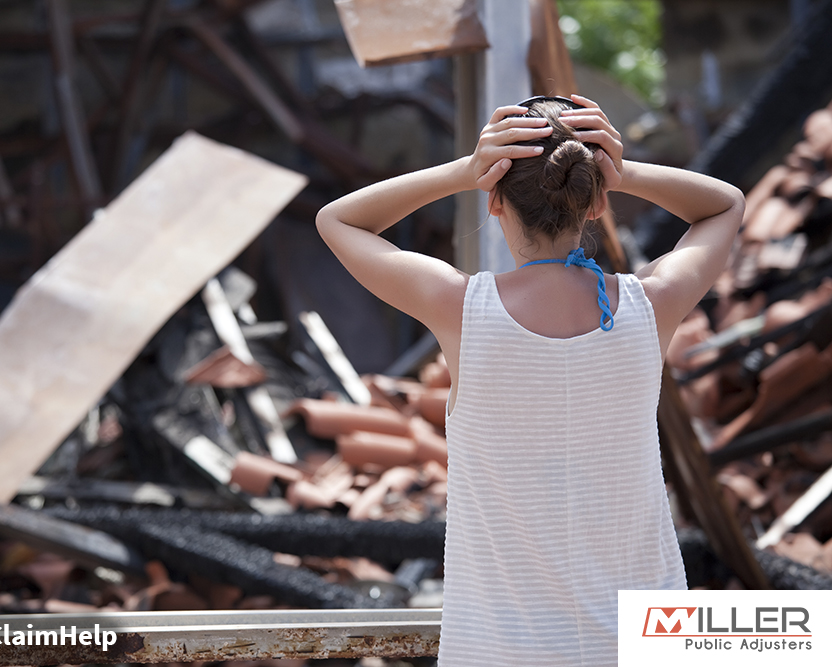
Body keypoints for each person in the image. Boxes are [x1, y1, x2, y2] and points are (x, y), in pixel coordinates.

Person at [316, 94, 744, 666]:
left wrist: (461, 171)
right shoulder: (651, 305)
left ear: (493, 201)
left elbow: (337, 219)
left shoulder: (460, 309)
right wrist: (626, 171)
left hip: (500, 650)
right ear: (595, 202)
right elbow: (725, 205)